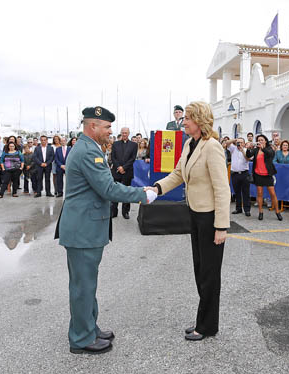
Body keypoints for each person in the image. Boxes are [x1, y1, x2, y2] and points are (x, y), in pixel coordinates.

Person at [55, 106, 156, 354]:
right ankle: (80, 338)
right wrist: (143, 194)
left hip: (85, 226)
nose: (110, 131)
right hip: (83, 229)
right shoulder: (89, 152)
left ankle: (89, 327)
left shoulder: (89, 148)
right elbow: (109, 189)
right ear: (92, 127)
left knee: (88, 282)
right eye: (107, 127)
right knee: (83, 285)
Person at [148, 101, 230, 341]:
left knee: (209, 273)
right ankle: (203, 321)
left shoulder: (212, 147)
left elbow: (222, 189)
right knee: (199, 269)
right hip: (195, 213)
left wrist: (221, 226)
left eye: (188, 119)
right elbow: (178, 174)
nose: (183, 121)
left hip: (210, 217)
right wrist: (157, 188)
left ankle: (207, 327)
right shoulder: (189, 144)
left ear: (199, 121)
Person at [246, 134, 282, 221]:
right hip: (258, 174)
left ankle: (277, 212)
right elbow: (248, 155)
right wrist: (248, 148)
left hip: (268, 174)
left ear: (265, 141)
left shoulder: (269, 149)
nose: (260, 141)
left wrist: (263, 148)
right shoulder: (256, 150)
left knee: (272, 194)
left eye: (262, 140)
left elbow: (270, 154)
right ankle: (260, 212)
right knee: (259, 193)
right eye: (259, 140)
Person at [109, 127, 138, 219]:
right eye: (123, 133)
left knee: (127, 192)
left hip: (127, 171)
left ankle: (125, 212)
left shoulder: (134, 145)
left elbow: (132, 158)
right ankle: (114, 211)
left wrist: (124, 167)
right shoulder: (115, 144)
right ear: (121, 133)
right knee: (115, 192)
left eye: (126, 133)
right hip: (116, 171)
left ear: (128, 133)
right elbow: (113, 157)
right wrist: (119, 167)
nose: (124, 134)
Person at [226, 138, 251, 216]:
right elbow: (226, 143)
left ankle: (247, 210)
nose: (239, 144)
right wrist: (234, 140)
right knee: (237, 192)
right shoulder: (233, 149)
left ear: (244, 143)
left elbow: (248, 159)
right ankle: (238, 208)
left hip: (244, 173)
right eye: (238, 142)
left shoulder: (247, 150)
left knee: (246, 192)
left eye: (241, 142)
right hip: (235, 174)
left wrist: (242, 150)